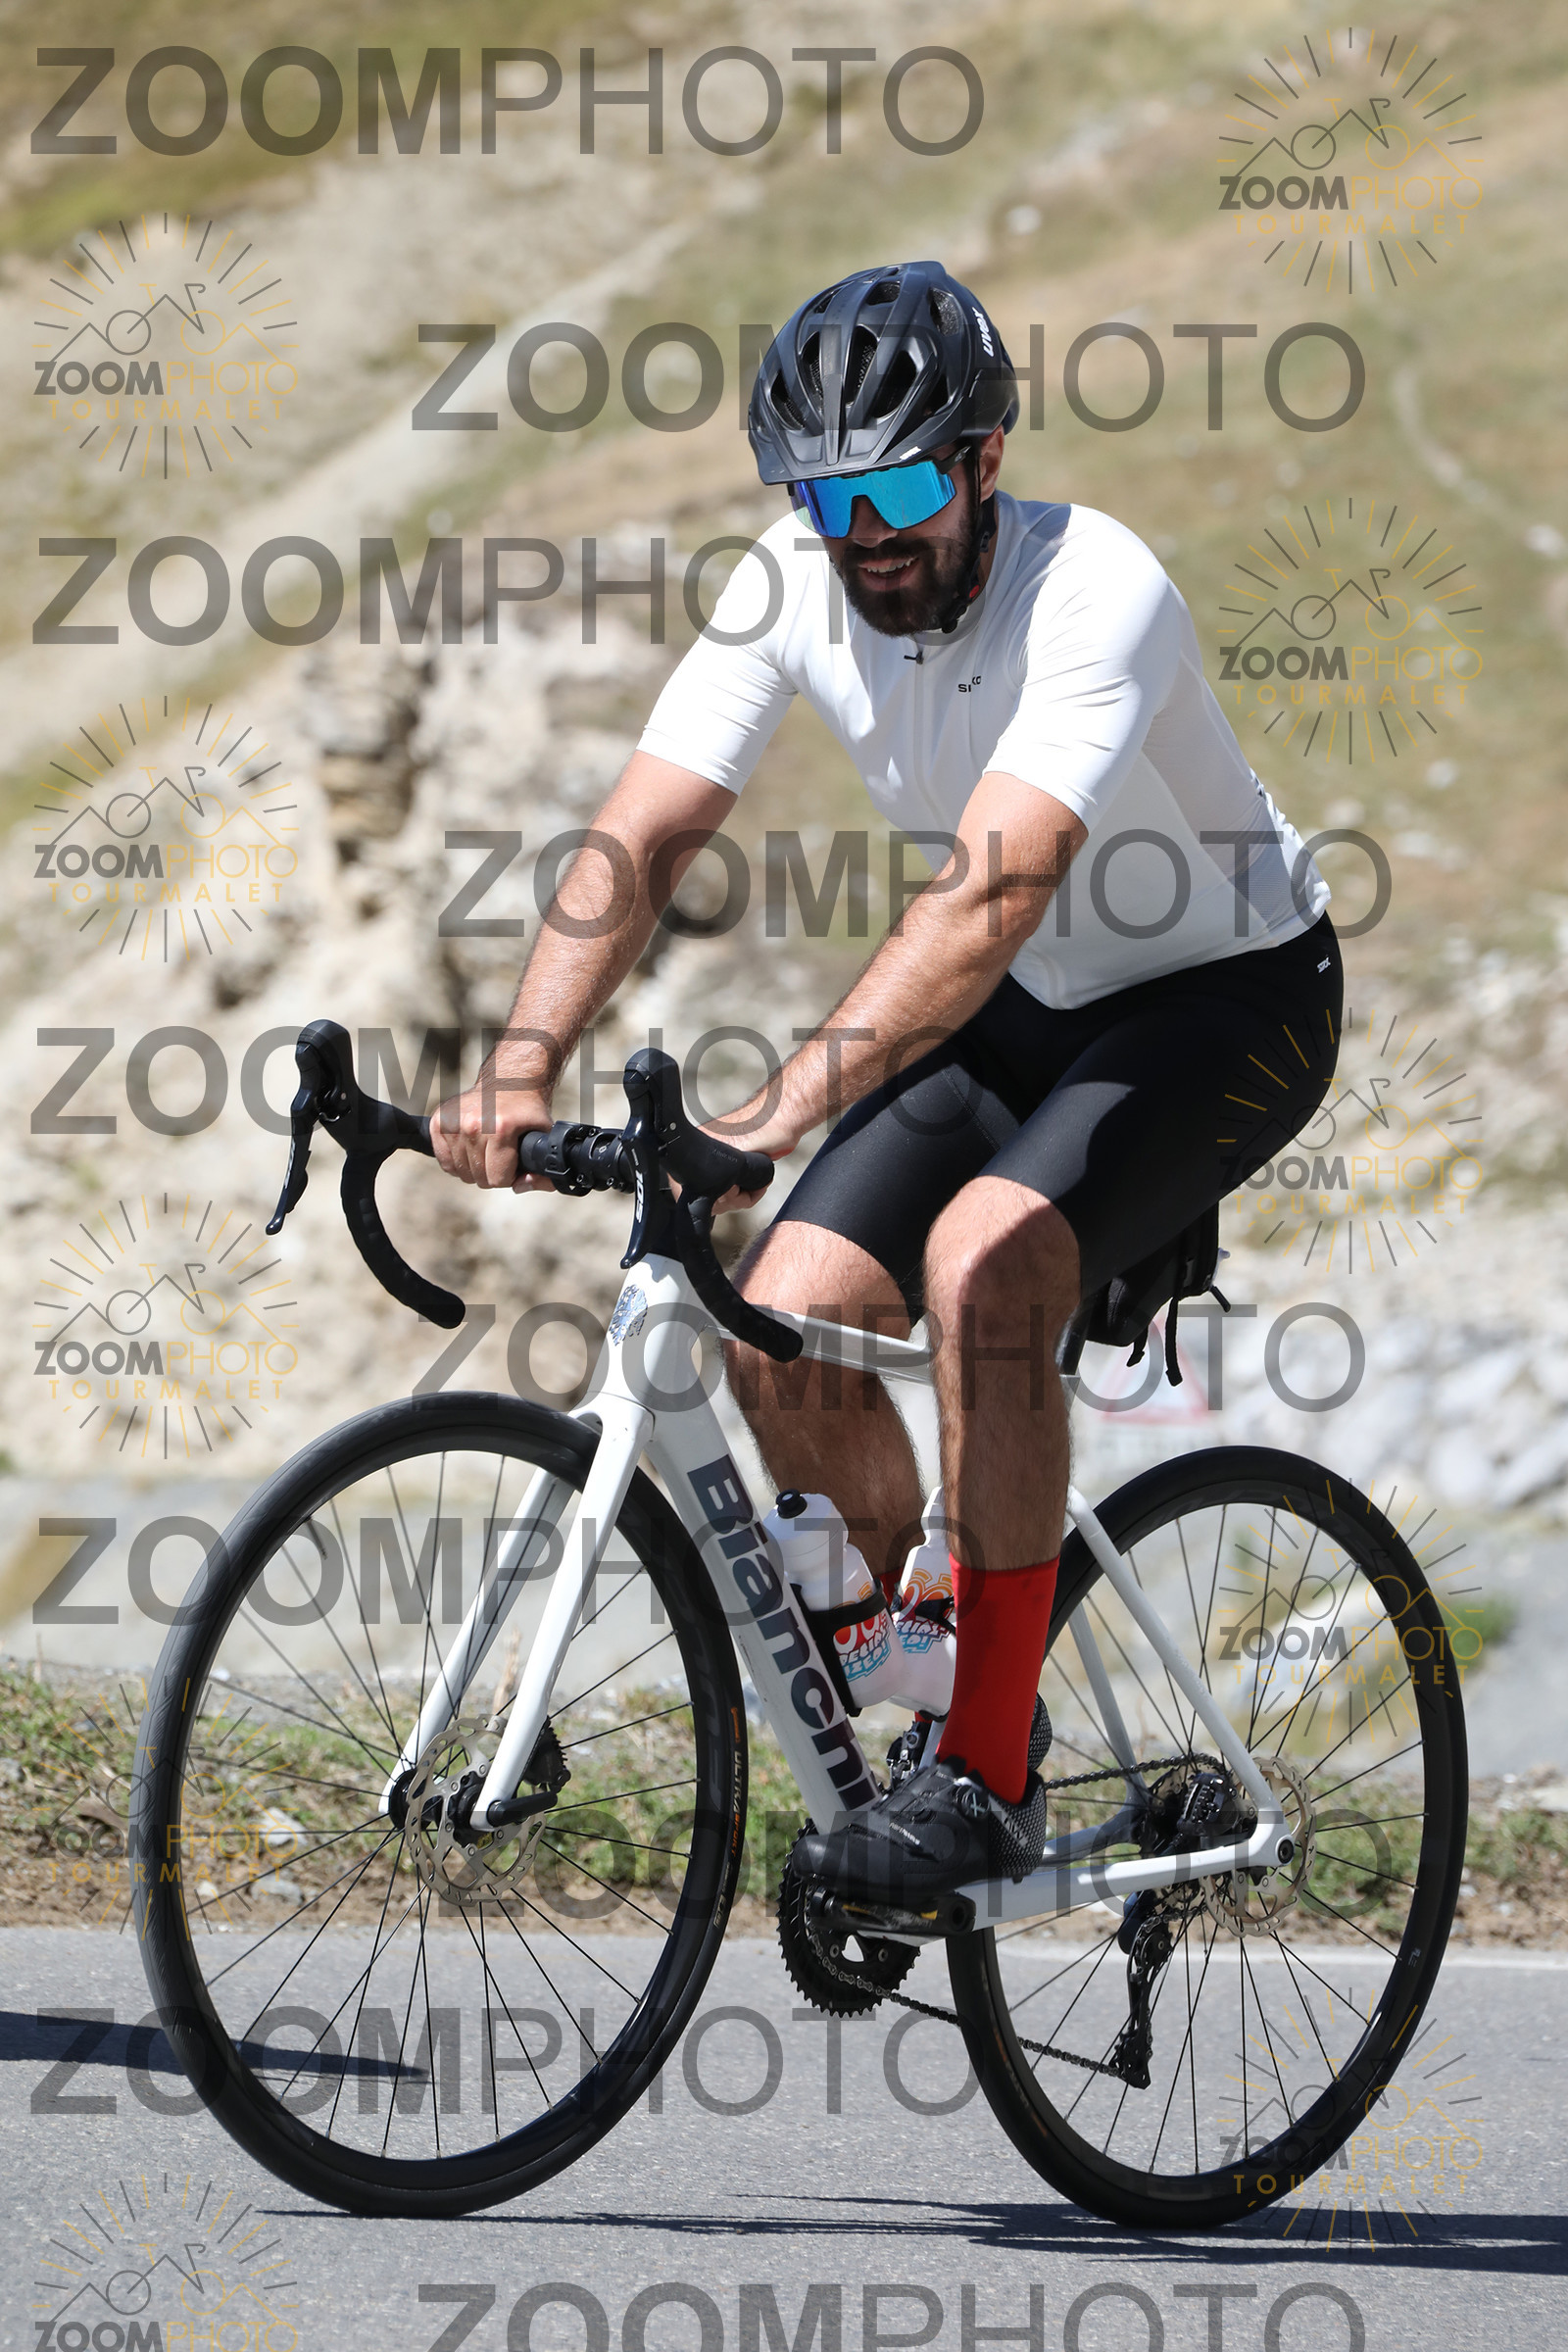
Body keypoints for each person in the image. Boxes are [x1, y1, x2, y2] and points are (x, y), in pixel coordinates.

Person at [432, 260, 1342, 1904]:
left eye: (903, 490)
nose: (864, 534)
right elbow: (647, 829)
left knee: (985, 1267)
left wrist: (771, 1117)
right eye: (825, 495)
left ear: (986, 461)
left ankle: (986, 1768)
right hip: (1025, 1008)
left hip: (1226, 1003)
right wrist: (518, 1058)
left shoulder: (1097, 586)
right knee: (780, 1321)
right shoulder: (789, 582)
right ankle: (914, 1675)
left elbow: (991, 897)